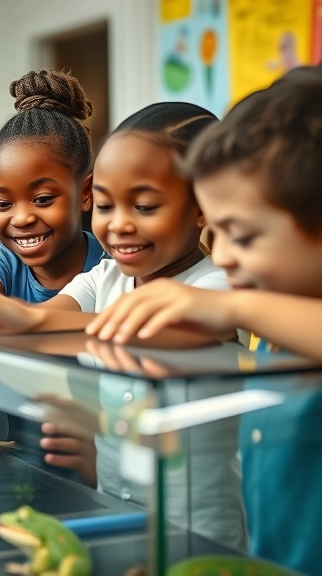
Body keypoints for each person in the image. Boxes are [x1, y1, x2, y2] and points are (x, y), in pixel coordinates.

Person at [0, 102, 246, 551]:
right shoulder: (105, 277)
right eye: (106, 204)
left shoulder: (218, 284)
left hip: (200, 533)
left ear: (203, 207)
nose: (119, 224)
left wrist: (25, 324)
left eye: (144, 206)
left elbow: (153, 331)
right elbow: (52, 318)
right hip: (117, 515)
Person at [88, 66, 322, 574]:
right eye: (220, 232)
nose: (226, 256)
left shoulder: (246, 305)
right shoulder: (277, 343)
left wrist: (232, 306)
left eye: (243, 234)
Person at [0, 69, 109, 480]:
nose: (22, 218)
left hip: (97, 472)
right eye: (2, 202)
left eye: (43, 198)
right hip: (7, 468)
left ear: (85, 193)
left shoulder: (111, 270)